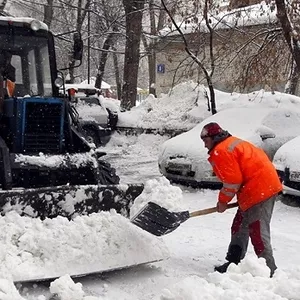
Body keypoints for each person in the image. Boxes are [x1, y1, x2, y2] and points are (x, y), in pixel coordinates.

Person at [200, 122, 282, 277]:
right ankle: (234, 263)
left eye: (205, 141)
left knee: (257, 231)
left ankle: (270, 271)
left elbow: (232, 182)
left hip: (260, 190)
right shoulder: (229, 143)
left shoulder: (222, 150)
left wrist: (223, 201)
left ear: (214, 137)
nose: (205, 146)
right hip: (255, 188)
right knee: (239, 226)